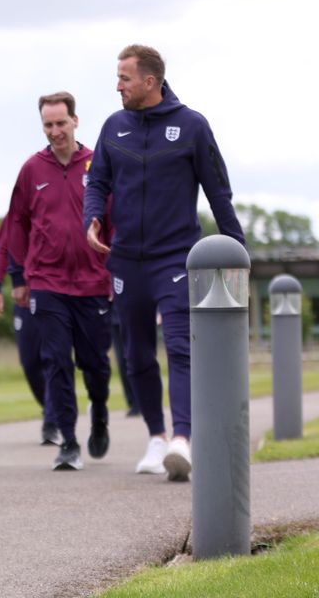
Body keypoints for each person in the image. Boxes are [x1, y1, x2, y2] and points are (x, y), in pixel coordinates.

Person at [84, 44, 244, 481]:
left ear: (149, 82)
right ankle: (156, 437)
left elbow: (219, 193)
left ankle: (183, 440)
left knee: (178, 345)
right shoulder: (113, 127)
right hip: (125, 262)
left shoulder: (192, 126)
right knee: (136, 354)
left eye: (125, 78)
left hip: (176, 257)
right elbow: (97, 180)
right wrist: (91, 219)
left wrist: (237, 252)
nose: (118, 85)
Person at [1, 91, 112, 471]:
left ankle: (99, 412)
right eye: (48, 125)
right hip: (46, 281)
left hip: (94, 281)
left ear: (75, 121)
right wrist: (18, 276)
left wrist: (118, 269)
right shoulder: (32, 169)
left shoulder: (98, 164)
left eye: (61, 123)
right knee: (56, 361)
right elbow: (16, 224)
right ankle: (68, 440)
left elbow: (118, 221)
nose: (55, 131)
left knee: (95, 363)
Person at [0, 241, 61, 446]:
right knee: (30, 363)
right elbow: (2, 251)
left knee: (53, 359)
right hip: (24, 300)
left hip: (55, 293)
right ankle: (51, 408)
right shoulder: (15, 217)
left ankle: (51, 421)